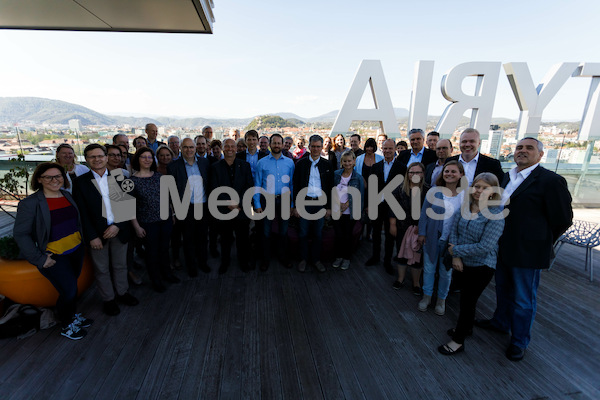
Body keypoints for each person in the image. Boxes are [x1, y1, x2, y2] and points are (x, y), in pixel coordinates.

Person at [475, 137, 573, 361]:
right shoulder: (507, 177)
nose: (522, 151)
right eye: (519, 147)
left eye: (529, 148)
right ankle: (500, 322)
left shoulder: (550, 181)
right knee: (502, 289)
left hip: (527, 252)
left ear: (540, 154)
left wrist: (539, 241)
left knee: (523, 299)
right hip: (501, 246)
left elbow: (563, 219)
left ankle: (519, 341)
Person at [13, 162, 92, 340]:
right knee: (69, 290)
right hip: (54, 256)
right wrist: (39, 259)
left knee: (71, 289)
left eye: (58, 176)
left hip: (75, 250)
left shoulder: (66, 195)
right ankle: (66, 325)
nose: (54, 180)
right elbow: (21, 234)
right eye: (49, 177)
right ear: (39, 179)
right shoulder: (31, 203)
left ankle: (72, 317)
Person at [438, 173, 505, 356]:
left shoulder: (496, 215)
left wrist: (456, 252)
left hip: (482, 266)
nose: (479, 191)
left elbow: (485, 246)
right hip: (461, 262)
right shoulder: (465, 207)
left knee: (468, 302)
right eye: (477, 186)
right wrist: (456, 257)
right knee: (466, 300)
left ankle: (458, 341)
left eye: (485, 188)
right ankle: (466, 329)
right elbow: (454, 232)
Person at [73, 144, 139, 316]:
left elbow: (127, 206)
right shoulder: (80, 183)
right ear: (86, 160)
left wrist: (117, 225)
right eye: (92, 157)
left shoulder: (120, 178)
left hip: (119, 230)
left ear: (106, 157)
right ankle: (108, 299)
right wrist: (92, 236)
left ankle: (122, 293)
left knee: (120, 265)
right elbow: (82, 213)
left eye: (100, 156)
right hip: (97, 235)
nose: (97, 159)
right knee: (101, 269)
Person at [417, 160, 466, 315]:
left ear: (461, 174)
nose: (449, 174)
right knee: (429, 269)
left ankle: (441, 300)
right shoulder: (434, 191)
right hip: (432, 237)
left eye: (453, 171)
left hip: (451, 242)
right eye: (446, 171)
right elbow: (424, 213)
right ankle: (427, 296)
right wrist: (422, 233)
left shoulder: (465, 195)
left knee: (446, 272)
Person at [129, 147, 179, 293]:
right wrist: (136, 227)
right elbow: (129, 207)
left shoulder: (159, 177)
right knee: (152, 253)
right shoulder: (131, 181)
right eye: (143, 157)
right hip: (147, 223)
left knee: (164, 249)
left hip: (165, 220)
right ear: (137, 159)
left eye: (149, 157)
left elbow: (168, 198)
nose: (147, 160)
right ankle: (156, 280)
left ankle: (167, 274)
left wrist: (173, 214)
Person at [167, 138, 211, 277]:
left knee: (203, 237)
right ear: (180, 148)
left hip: (203, 206)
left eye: (191, 147)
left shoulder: (204, 163)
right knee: (188, 239)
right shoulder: (173, 166)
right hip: (185, 208)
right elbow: (170, 190)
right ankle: (191, 266)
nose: (189, 150)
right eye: (185, 147)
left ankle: (203, 262)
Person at [210, 139, 255, 273]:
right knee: (225, 239)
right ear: (223, 148)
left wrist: (239, 203)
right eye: (227, 146)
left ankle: (243, 262)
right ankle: (225, 262)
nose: (230, 149)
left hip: (241, 209)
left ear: (237, 149)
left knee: (243, 239)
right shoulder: (215, 167)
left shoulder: (245, 165)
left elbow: (249, 186)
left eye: (232, 146)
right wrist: (228, 203)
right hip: (224, 210)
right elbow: (213, 188)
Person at [293, 134, 334, 273]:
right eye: (313, 146)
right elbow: (296, 185)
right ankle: (303, 259)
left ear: (322, 147)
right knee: (303, 233)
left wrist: (328, 207)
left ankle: (316, 260)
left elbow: (330, 187)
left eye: (318, 146)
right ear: (309, 147)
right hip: (304, 203)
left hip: (320, 204)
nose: (316, 149)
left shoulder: (327, 164)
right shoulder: (301, 164)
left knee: (318, 233)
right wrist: (296, 206)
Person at [254, 134, 295, 271]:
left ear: (283, 145)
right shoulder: (262, 163)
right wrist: (257, 204)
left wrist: (292, 205)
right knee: (266, 232)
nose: (277, 145)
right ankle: (265, 259)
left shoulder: (290, 163)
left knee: (283, 231)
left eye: (279, 143)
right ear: (270, 145)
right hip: (267, 200)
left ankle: (283, 257)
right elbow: (257, 185)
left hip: (284, 199)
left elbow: (292, 185)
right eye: (274, 143)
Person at [366, 139, 407, 274]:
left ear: (395, 149)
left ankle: (387, 261)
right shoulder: (375, 167)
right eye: (385, 149)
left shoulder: (402, 167)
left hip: (393, 207)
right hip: (377, 205)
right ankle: (375, 257)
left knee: (390, 236)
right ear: (381, 150)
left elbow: (402, 190)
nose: (388, 151)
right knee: (376, 233)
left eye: (390, 148)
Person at [389, 162, 427, 295]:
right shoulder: (400, 189)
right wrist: (392, 224)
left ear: (422, 174)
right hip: (402, 226)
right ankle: (400, 278)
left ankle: (416, 282)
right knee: (401, 252)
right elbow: (392, 207)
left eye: (417, 172)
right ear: (407, 174)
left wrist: (423, 229)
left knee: (418, 255)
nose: (414, 175)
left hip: (420, 228)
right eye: (411, 172)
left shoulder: (427, 190)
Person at [332, 150, 364, 270]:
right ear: (341, 162)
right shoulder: (336, 174)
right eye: (345, 161)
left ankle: (346, 258)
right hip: (337, 210)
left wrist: (347, 203)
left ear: (354, 161)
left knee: (347, 236)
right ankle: (338, 256)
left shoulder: (358, 178)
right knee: (338, 235)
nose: (347, 163)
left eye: (349, 161)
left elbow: (360, 195)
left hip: (349, 212)